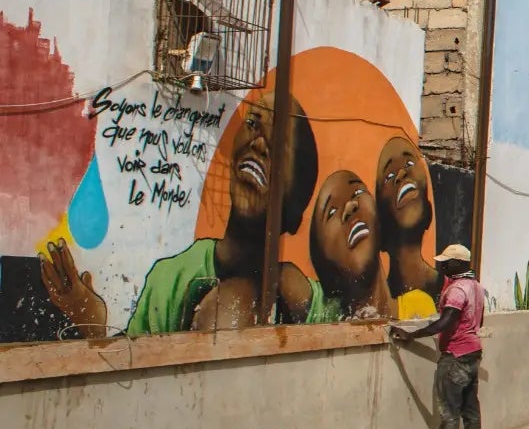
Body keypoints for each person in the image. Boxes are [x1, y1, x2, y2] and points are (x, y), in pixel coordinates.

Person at [40, 88, 321, 333]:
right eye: (252, 123)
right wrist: (91, 319)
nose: (259, 143)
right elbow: (138, 369)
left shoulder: (303, 297)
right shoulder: (171, 278)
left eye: (281, 145)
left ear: (296, 211)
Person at [388, 243, 485, 429]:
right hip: (473, 352)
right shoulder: (476, 287)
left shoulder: (457, 290)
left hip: (455, 355)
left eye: (446, 262)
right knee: (470, 408)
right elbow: (479, 321)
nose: (441, 266)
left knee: (449, 409)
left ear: (458, 263)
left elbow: (446, 321)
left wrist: (412, 334)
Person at [307, 169, 389, 321]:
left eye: (358, 192)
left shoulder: (419, 304)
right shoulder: (321, 309)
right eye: (331, 212)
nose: (350, 207)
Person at [372, 136, 439, 320]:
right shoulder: (384, 302)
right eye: (390, 175)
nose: (402, 174)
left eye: (409, 163)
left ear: (428, 212)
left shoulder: (447, 289)